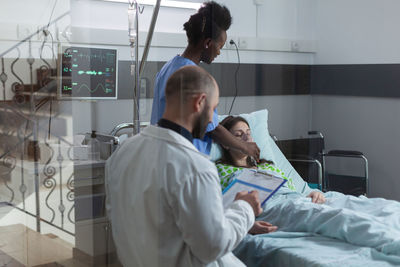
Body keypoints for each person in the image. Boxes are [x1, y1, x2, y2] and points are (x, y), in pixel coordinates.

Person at [106, 66, 264, 267]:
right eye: (213, 109)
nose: (212, 120)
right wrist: (245, 208)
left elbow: (138, 218)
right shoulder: (195, 166)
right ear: (199, 102)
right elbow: (213, 246)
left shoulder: (122, 153)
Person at [215, 115, 400, 260]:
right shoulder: (220, 170)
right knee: (336, 217)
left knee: (360, 204)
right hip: (271, 208)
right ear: (226, 143)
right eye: (239, 135)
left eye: (249, 131)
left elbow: (294, 187)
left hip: (297, 198)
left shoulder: (267, 165)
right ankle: (392, 244)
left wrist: (312, 192)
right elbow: (217, 206)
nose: (247, 137)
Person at [150, 1, 260, 160]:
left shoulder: (167, 68)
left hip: (162, 155)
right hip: (186, 160)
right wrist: (244, 146)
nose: (219, 53)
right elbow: (212, 129)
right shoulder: (196, 78)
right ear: (208, 43)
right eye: (220, 46)